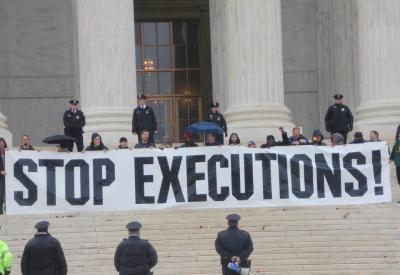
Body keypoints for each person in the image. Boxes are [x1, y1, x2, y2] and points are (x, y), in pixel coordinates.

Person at [0, 138, 7, 215]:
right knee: (1, 195)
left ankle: (7, 210)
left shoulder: (8, 153)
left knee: (8, 194)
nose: (1, 144)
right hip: (1, 178)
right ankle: (1, 212)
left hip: (9, 178)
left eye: (2, 142)